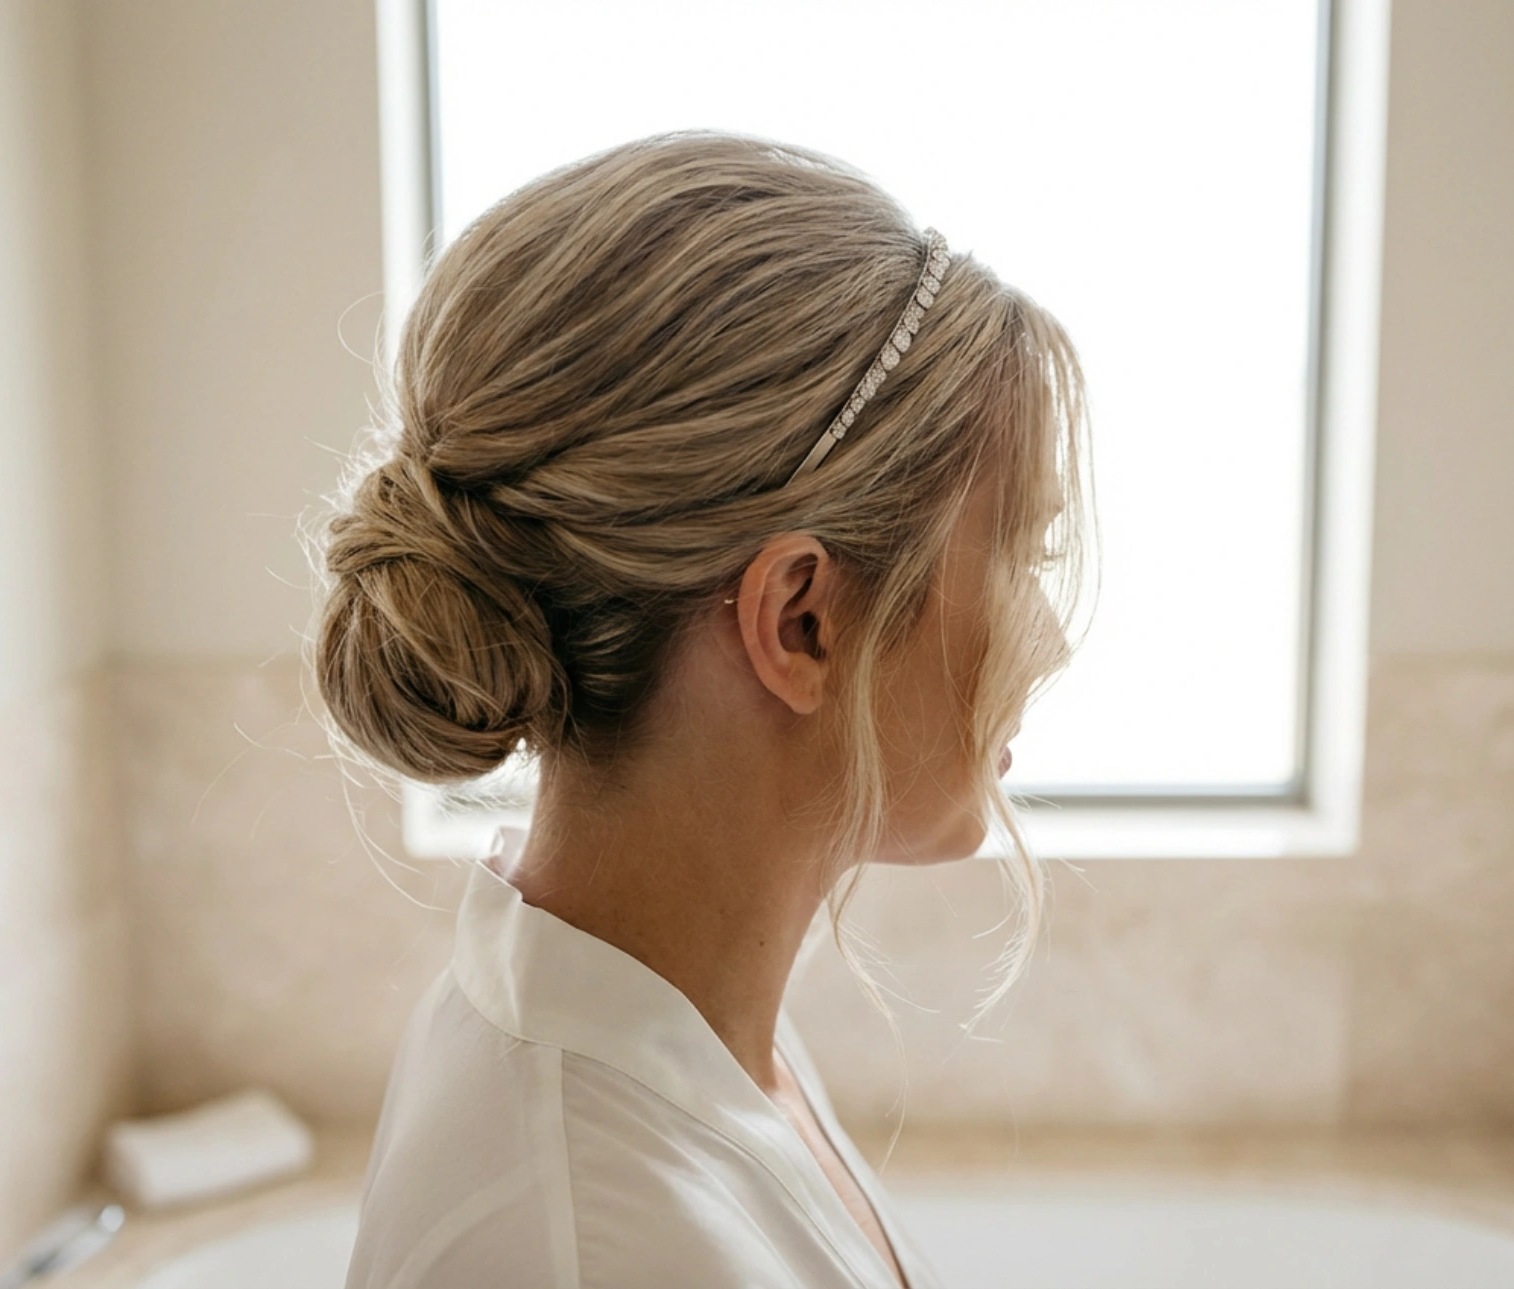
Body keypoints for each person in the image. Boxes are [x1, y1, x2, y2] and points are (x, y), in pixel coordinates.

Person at [311, 130, 1090, 1289]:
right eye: (1018, 550)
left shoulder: (682, 1029)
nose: (1052, 636)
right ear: (801, 621)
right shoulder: (589, 1243)